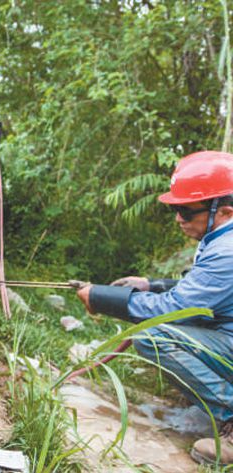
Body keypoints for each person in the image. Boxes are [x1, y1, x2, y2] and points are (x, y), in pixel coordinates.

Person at [76, 150, 233, 466]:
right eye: (177, 209)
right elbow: (202, 291)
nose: (178, 218)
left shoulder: (227, 251)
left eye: (186, 211)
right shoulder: (221, 237)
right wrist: (150, 283)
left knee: (154, 336)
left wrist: (101, 299)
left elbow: (175, 309)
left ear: (225, 211)